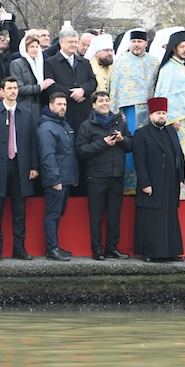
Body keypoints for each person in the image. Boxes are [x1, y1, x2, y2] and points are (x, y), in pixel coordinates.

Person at [0, 77, 39, 261]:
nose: (13, 91)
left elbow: (32, 141)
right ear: (3, 91)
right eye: (9, 88)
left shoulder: (26, 113)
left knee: (19, 211)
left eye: (15, 88)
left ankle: (19, 248)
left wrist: (34, 166)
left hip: (21, 166)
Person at [75, 90, 132, 259]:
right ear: (94, 105)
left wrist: (123, 140)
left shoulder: (119, 122)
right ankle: (97, 249)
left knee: (114, 216)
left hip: (116, 175)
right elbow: (81, 150)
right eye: (101, 101)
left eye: (107, 100)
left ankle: (112, 248)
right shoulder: (86, 125)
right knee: (96, 216)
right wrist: (103, 143)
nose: (105, 103)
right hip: (96, 177)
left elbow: (131, 145)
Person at [132, 96, 184, 262]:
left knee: (170, 218)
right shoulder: (141, 133)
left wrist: (181, 178)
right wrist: (145, 183)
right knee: (152, 218)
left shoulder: (171, 131)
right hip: (152, 182)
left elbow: (179, 155)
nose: (161, 116)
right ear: (150, 115)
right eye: (158, 113)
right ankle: (151, 253)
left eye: (163, 113)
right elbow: (139, 161)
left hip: (170, 182)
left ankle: (171, 252)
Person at [153, 28, 185, 199]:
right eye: (182, 47)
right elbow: (164, 95)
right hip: (175, 121)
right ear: (174, 48)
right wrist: (171, 118)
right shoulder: (168, 69)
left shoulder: (180, 66)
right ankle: (179, 189)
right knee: (178, 154)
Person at [108, 28, 154, 193]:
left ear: (146, 43)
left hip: (150, 111)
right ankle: (129, 185)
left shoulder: (154, 62)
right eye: (133, 42)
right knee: (131, 144)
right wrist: (115, 112)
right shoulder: (121, 61)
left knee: (148, 146)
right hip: (130, 110)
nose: (136, 45)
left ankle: (147, 182)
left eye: (139, 42)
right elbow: (114, 87)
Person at [37, 91, 79, 260]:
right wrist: (55, 179)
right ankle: (51, 249)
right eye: (59, 104)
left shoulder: (63, 124)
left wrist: (74, 176)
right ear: (51, 106)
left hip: (66, 177)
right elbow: (48, 156)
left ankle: (55, 246)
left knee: (57, 214)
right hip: (56, 179)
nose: (63, 107)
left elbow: (69, 152)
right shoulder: (47, 128)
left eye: (65, 105)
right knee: (52, 214)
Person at [43, 26, 98, 132]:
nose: (73, 45)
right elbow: (51, 87)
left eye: (76, 42)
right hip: (64, 113)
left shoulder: (84, 62)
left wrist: (83, 90)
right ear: (61, 43)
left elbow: (93, 82)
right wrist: (73, 94)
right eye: (70, 42)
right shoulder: (50, 63)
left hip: (84, 113)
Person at [8, 34, 56, 113]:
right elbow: (18, 88)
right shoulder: (16, 64)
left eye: (37, 47)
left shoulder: (40, 64)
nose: (35, 49)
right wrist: (40, 87)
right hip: (23, 106)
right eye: (32, 47)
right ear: (25, 48)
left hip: (39, 106)